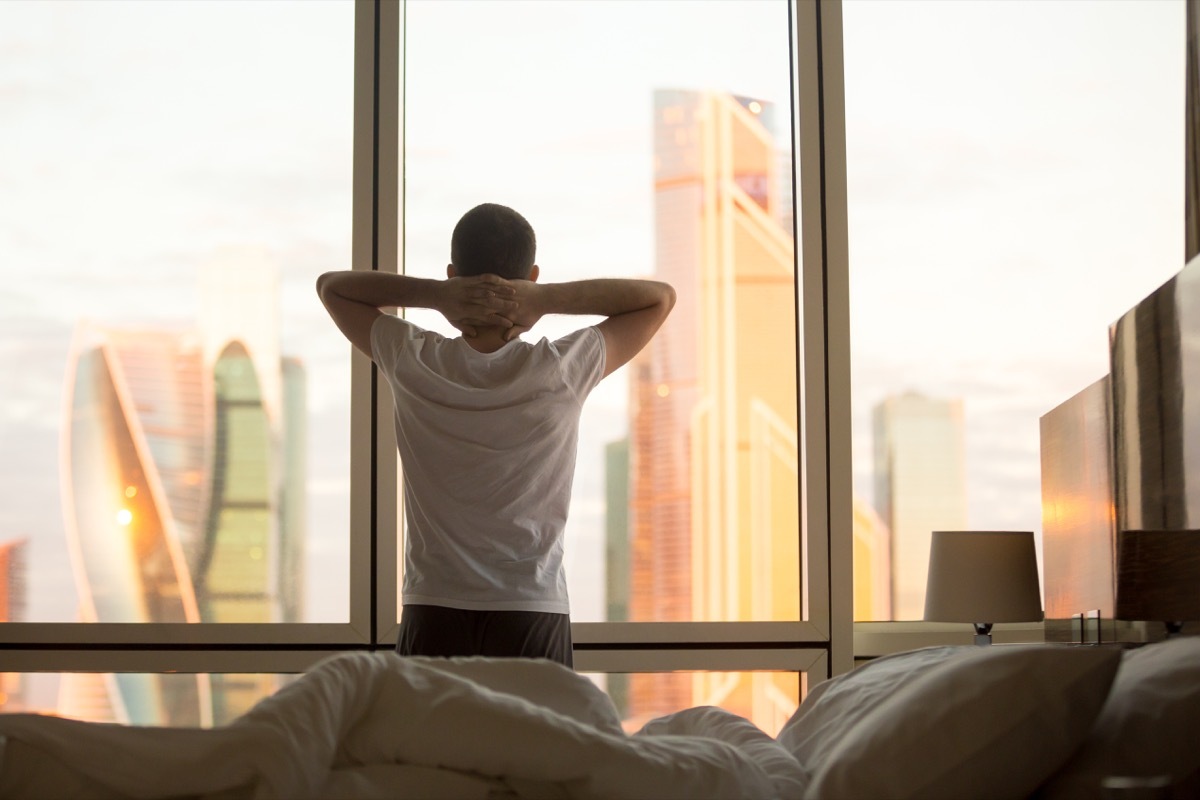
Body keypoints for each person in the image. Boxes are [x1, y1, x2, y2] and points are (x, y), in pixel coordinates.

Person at [316, 202, 675, 667]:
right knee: (530, 742)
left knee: (433, 744)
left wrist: (438, 295)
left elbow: (333, 288)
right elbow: (658, 298)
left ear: (451, 273)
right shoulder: (561, 369)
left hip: (433, 608)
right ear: (532, 274)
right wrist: (542, 300)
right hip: (531, 609)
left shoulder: (413, 358)